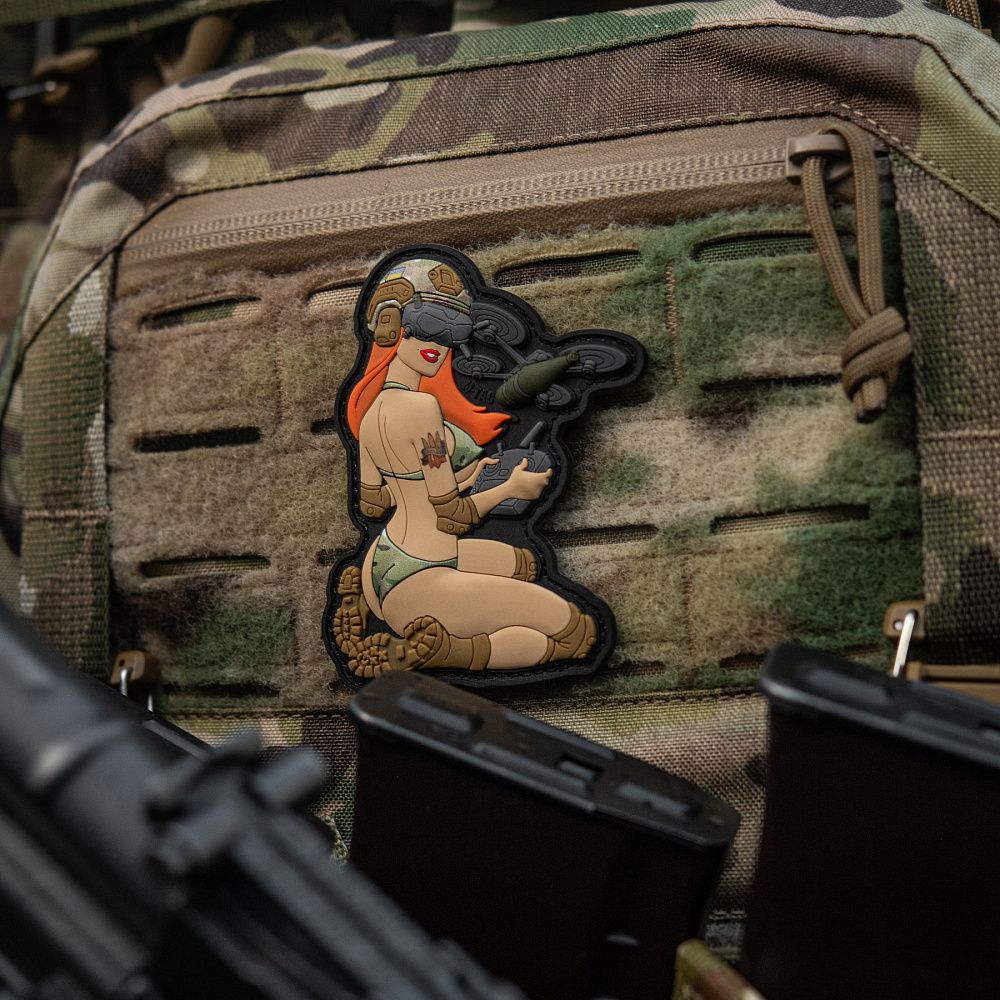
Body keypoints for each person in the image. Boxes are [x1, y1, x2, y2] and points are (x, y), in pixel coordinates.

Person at [331, 256, 596, 677]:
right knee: (575, 631)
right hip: (421, 580)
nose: (440, 342)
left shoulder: (370, 412)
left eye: (454, 329)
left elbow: (375, 503)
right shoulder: (422, 408)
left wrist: (467, 476)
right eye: (427, 324)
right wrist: (512, 488)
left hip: (383, 563)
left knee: (524, 564)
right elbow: (453, 516)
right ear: (391, 326)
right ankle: (446, 651)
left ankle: (399, 615)